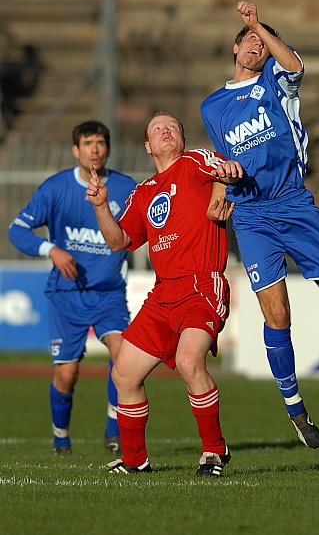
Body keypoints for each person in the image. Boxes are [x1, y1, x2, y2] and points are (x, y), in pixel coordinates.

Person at [200, 1, 319, 449]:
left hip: (295, 204)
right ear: (234, 48)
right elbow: (224, 159)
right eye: (249, 42)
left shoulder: (277, 80)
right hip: (252, 215)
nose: (256, 48)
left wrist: (258, 24)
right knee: (277, 313)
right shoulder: (212, 106)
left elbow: (295, 62)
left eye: (262, 43)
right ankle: (296, 409)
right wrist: (220, 187)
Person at [86, 112, 242, 475]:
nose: (166, 131)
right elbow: (119, 241)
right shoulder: (143, 192)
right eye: (157, 129)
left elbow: (228, 171)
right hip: (163, 293)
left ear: (182, 138)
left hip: (203, 283)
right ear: (147, 146)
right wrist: (99, 206)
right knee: (123, 374)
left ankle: (214, 452)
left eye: (173, 126)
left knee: (190, 362)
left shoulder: (195, 161)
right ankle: (136, 461)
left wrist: (222, 186)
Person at [8, 120, 136, 456]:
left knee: (124, 360)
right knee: (67, 374)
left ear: (108, 149)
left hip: (110, 293)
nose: (95, 149)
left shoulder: (126, 188)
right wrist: (50, 248)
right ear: (75, 150)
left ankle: (113, 429)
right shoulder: (56, 188)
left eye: (101, 143)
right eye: (88, 143)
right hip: (67, 295)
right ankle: (61, 439)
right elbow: (17, 230)